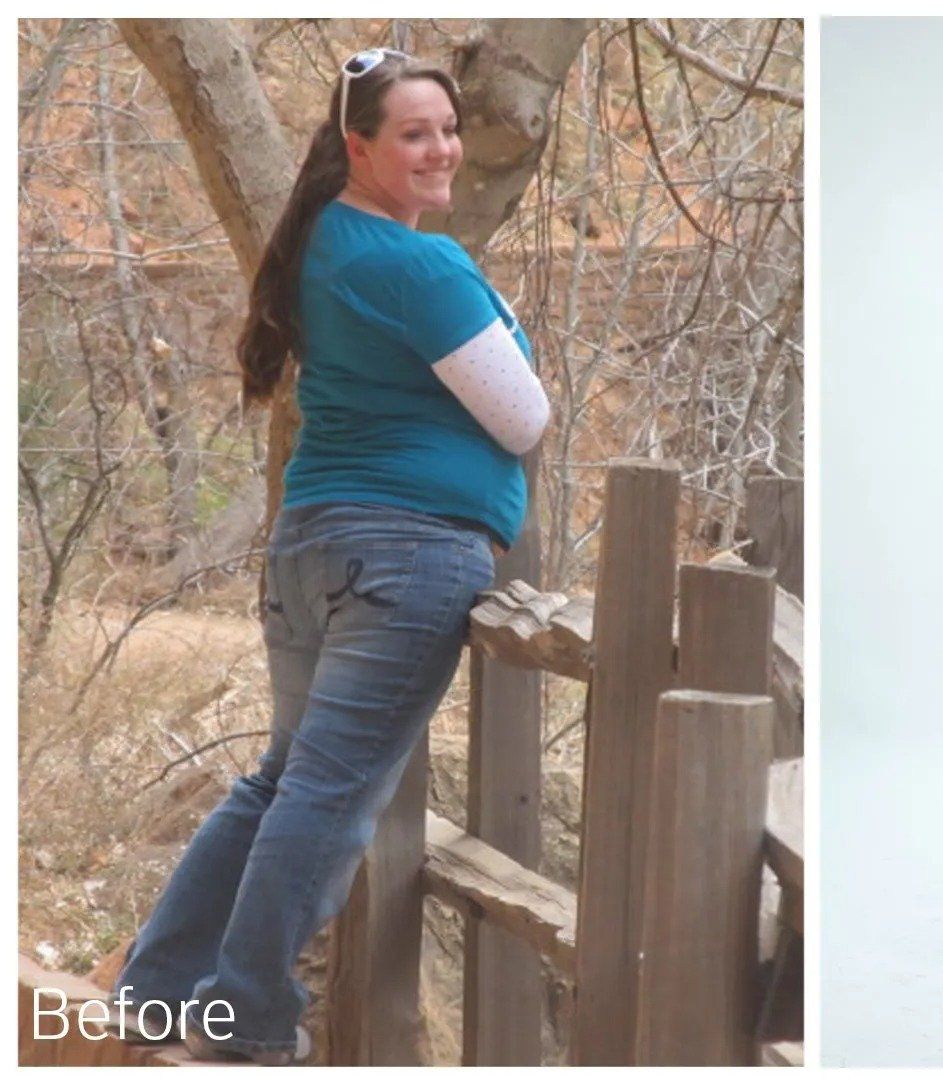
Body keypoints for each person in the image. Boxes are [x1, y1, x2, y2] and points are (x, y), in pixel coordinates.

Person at [106, 48, 551, 1062]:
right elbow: (524, 417)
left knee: (283, 778)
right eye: (414, 133)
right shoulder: (420, 264)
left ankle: (158, 989)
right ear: (359, 146)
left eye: (448, 128)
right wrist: (498, 315)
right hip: (405, 554)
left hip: (316, 544)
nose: (441, 148)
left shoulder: (322, 241)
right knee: (328, 791)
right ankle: (248, 1015)